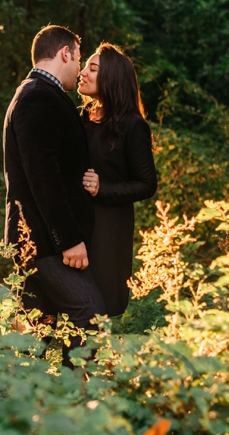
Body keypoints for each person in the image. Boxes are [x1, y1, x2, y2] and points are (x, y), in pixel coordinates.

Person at [3, 25, 106, 368]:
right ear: (65, 53)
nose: (79, 69)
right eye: (78, 59)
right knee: (90, 315)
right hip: (44, 241)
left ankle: (20, 396)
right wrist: (69, 240)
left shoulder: (39, 94)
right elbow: (43, 176)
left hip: (39, 239)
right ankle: (78, 396)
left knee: (36, 334)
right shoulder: (38, 97)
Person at [78, 42, 157, 317]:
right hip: (75, 224)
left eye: (92, 68)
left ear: (111, 78)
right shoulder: (80, 117)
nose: (82, 72)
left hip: (107, 231)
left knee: (97, 308)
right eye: (84, 66)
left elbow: (147, 184)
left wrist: (103, 189)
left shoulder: (132, 126)